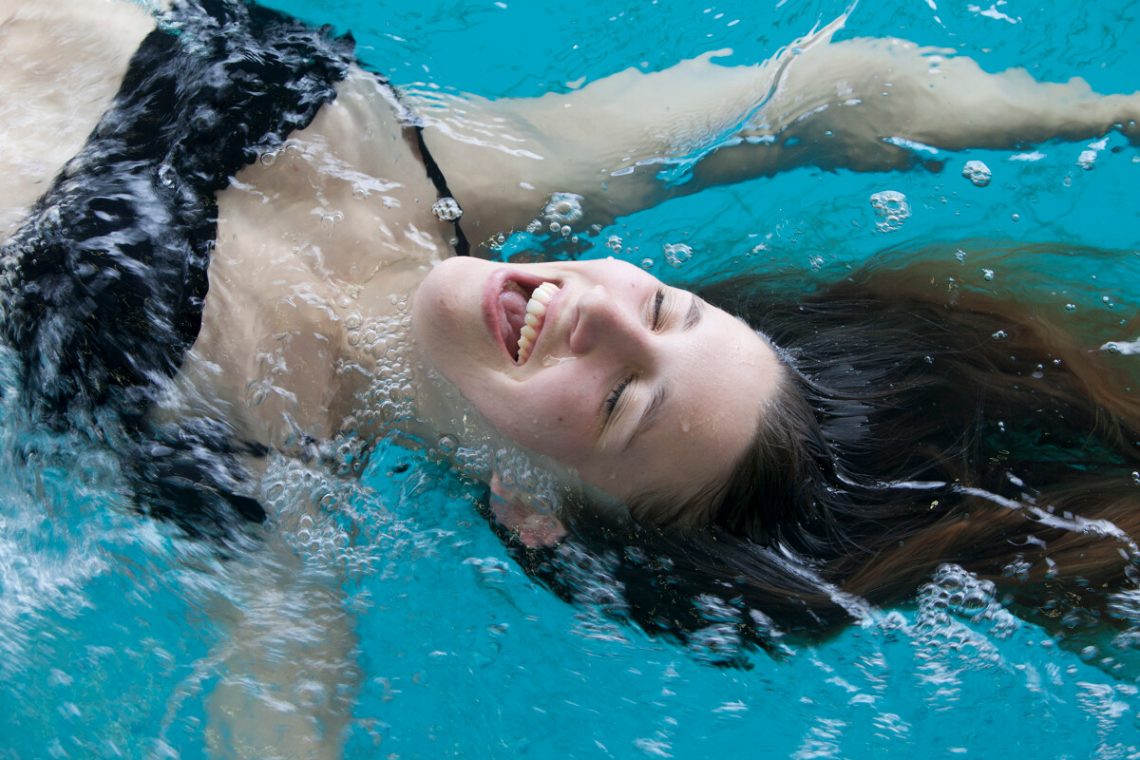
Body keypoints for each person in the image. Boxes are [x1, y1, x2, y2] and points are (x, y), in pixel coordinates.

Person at [2, 0, 1138, 750]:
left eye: (617, 397)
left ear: (532, 509)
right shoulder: (470, 174)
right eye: (662, 307)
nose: (596, 309)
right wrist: (1093, 113)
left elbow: (281, 714)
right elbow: (816, 95)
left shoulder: (253, 495)